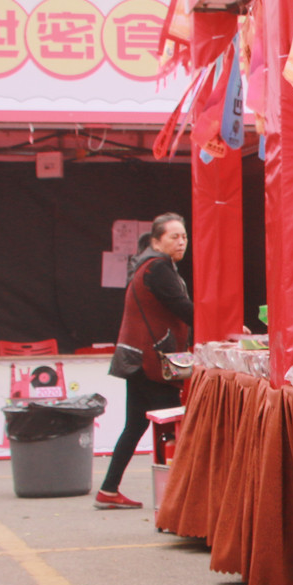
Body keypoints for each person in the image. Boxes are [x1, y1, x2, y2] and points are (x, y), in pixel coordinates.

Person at [97, 213, 189, 509]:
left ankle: (108, 490)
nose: (181, 242)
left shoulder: (147, 265)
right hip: (151, 363)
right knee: (173, 429)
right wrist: (222, 324)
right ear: (156, 241)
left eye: (184, 236)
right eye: (174, 237)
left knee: (135, 426)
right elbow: (185, 309)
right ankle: (176, 500)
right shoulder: (158, 268)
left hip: (136, 360)